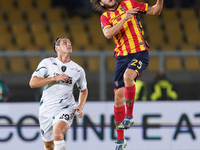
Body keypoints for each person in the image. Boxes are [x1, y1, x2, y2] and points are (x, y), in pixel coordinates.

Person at [90, 0, 164, 149]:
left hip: (139, 53)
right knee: (118, 99)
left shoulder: (130, 3)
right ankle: (120, 140)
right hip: (121, 58)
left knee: (128, 77)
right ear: (101, 3)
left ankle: (129, 116)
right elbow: (108, 34)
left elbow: (155, 11)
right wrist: (125, 18)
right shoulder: (105, 17)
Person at [29, 37, 88, 150]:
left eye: (70, 42)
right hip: (46, 109)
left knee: (57, 134)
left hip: (66, 107)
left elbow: (83, 89)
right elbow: (33, 83)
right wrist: (55, 78)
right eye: (65, 43)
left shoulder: (78, 70)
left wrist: (80, 105)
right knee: (48, 146)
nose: (69, 44)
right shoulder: (47, 63)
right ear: (57, 48)